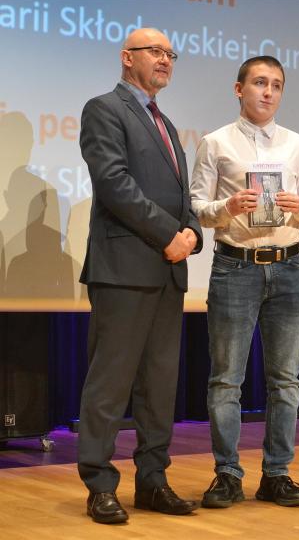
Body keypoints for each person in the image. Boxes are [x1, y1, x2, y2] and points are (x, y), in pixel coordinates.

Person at [78, 28, 202, 524]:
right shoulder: (104, 109)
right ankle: (99, 485)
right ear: (127, 57)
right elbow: (113, 183)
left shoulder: (166, 124)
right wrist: (169, 234)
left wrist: (192, 232)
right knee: (109, 385)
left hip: (168, 272)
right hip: (124, 270)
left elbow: (183, 195)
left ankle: (153, 481)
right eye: (155, 51)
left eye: (171, 53)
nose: (165, 59)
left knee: (159, 386)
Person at [190, 55, 299, 508]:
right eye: (260, 83)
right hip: (236, 268)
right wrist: (226, 208)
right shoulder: (215, 143)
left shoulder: (296, 144)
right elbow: (196, 206)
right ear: (239, 89)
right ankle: (227, 473)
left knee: (285, 380)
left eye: (276, 85)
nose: (268, 92)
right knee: (226, 380)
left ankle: (277, 474)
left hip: (289, 268)